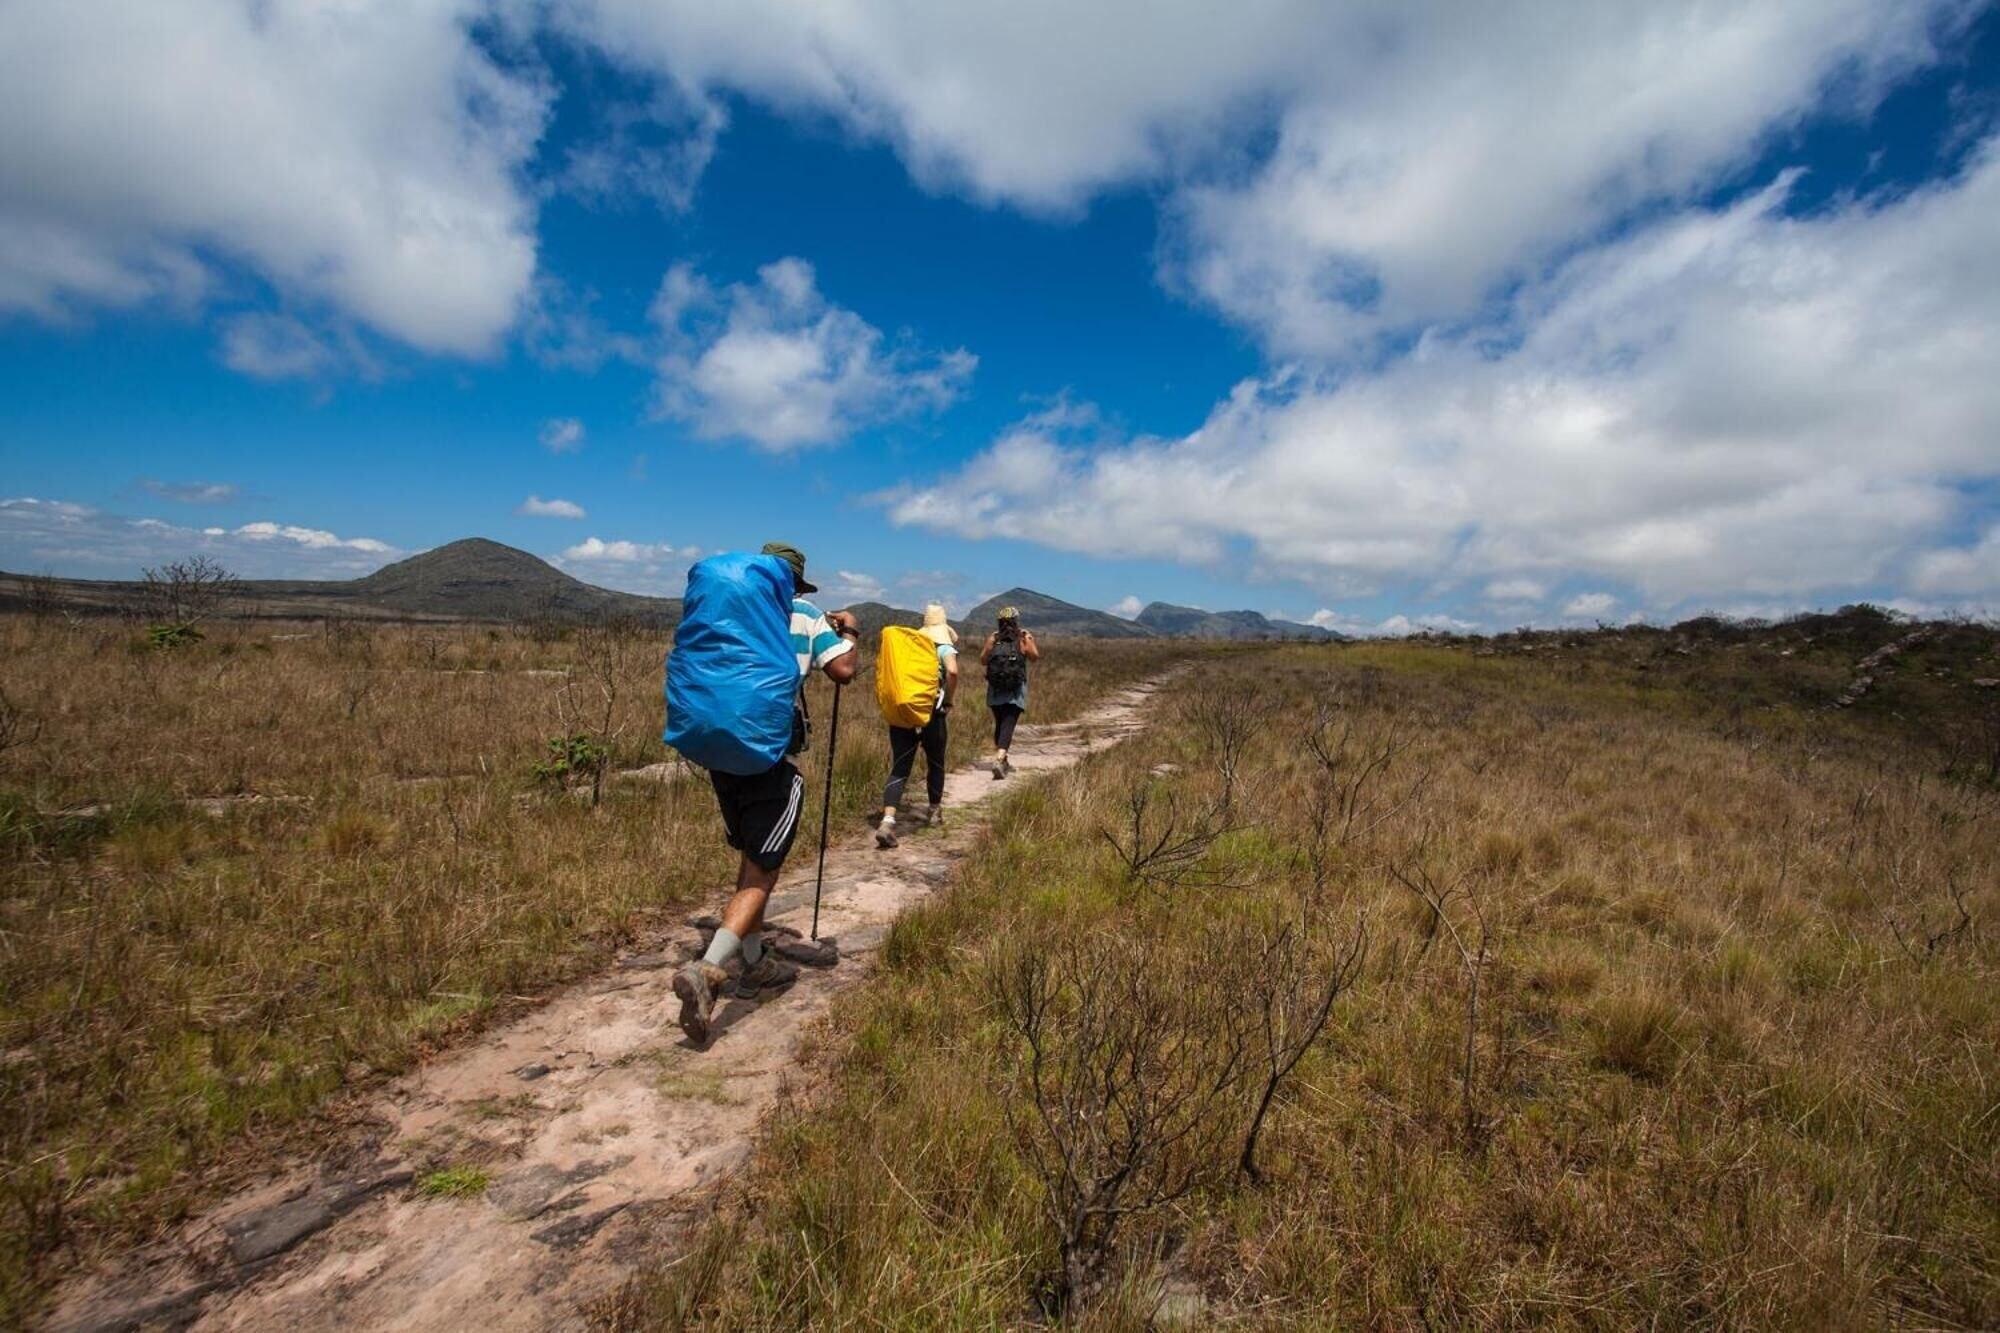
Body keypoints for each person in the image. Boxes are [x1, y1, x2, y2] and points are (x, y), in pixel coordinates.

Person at [673, 542, 859, 1045]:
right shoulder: (802, 612)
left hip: (717, 751)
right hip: (768, 757)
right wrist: (851, 632)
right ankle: (709, 971)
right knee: (766, 869)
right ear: (795, 581)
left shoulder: (728, 609)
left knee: (752, 855)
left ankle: (753, 962)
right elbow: (843, 671)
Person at [875, 604, 959, 848]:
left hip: (902, 712)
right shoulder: (943, 646)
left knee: (900, 766)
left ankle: (888, 821)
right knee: (935, 762)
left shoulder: (912, 647)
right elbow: (952, 672)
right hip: (932, 712)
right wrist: (949, 700)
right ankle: (934, 812)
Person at [981, 605, 1040, 779]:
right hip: (1015, 688)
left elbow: (983, 660)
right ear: (1015, 621)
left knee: (1000, 723)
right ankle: (999, 758)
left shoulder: (994, 638)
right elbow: (1035, 657)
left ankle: (1003, 758)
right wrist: (1030, 639)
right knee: (1009, 723)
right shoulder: (1022, 637)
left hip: (995, 688)